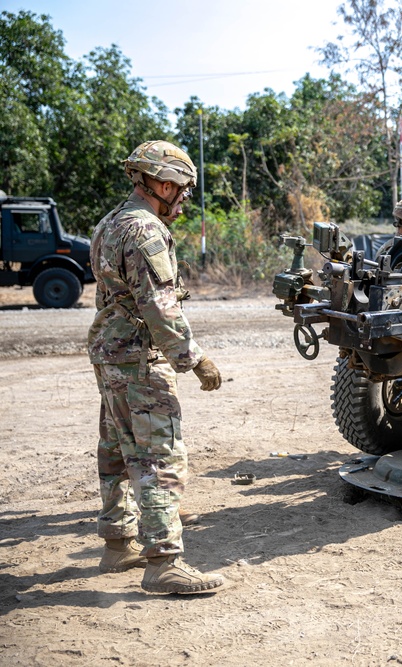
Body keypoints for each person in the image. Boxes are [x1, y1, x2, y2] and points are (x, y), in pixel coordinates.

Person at [89, 140, 224, 594]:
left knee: (116, 448)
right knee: (159, 457)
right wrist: (195, 359)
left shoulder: (109, 223)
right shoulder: (146, 232)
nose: (184, 197)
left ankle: (117, 543)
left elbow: (110, 297)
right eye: (182, 188)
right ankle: (163, 562)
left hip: (110, 354)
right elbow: (160, 307)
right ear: (161, 183)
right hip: (141, 360)